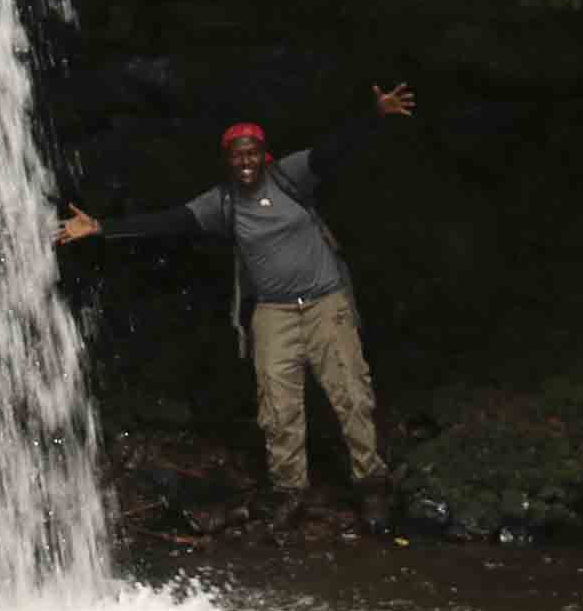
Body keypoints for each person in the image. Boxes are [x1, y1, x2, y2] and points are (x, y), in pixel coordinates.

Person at [55, 84, 414, 531]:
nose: (245, 162)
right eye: (236, 156)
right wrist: (101, 227)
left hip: (325, 305)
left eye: (252, 154)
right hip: (274, 314)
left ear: (264, 155)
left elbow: (333, 150)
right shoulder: (222, 202)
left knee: (352, 396)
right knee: (278, 407)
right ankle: (288, 491)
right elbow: (169, 222)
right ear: (228, 160)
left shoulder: (290, 176)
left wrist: (374, 114)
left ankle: (371, 486)